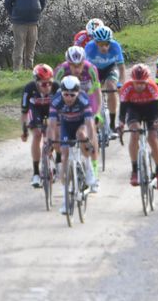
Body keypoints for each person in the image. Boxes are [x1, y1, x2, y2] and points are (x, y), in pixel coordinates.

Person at [54, 45, 102, 188]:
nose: (76, 69)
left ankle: (93, 169)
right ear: (67, 63)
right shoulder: (61, 71)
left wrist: (98, 113)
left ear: (84, 62)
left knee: (90, 131)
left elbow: (97, 92)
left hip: (88, 98)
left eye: (79, 65)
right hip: (68, 100)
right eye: (73, 65)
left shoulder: (91, 69)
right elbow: (54, 96)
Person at [48, 75, 97, 213]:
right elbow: (51, 125)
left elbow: (90, 124)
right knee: (64, 156)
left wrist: (90, 141)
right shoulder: (56, 100)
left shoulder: (83, 99)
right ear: (61, 92)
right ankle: (65, 201)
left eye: (72, 95)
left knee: (81, 135)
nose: (69, 98)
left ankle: (88, 167)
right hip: (66, 124)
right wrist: (50, 141)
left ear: (78, 93)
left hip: (81, 123)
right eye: (66, 94)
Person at [117, 64, 158, 191]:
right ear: (132, 80)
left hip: (150, 110)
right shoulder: (126, 87)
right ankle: (134, 170)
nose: (139, 86)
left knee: (153, 140)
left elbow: (156, 109)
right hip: (134, 110)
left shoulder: (152, 86)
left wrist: (156, 121)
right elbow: (123, 109)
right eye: (136, 83)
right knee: (134, 133)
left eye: (142, 83)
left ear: (147, 80)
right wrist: (121, 123)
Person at [3, 0, 45, 71]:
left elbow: (42, 3)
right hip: (19, 23)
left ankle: (28, 70)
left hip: (33, 23)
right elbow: (7, 3)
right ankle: (17, 70)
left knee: (31, 49)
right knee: (19, 47)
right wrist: (14, 14)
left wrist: (37, 12)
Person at [84, 25, 126, 131]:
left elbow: (121, 68)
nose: (104, 47)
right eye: (100, 44)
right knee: (93, 90)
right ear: (95, 42)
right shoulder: (89, 48)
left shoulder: (115, 46)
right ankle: (95, 118)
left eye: (107, 44)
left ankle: (112, 122)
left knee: (111, 87)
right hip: (94, 70)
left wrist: (120, 84)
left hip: (109, 68)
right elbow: (84, 68)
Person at [21, 64, 56, 188]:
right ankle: (36, 173)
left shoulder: (56, 87)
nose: (48, 87)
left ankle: (56, 160)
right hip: (35, 110)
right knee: (37, 135)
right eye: (44, 84)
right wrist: (24, 131)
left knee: (55, 132)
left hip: (51, 110)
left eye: (50, 83)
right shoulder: (29, 89)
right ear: (36, 82)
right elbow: (24, 113)